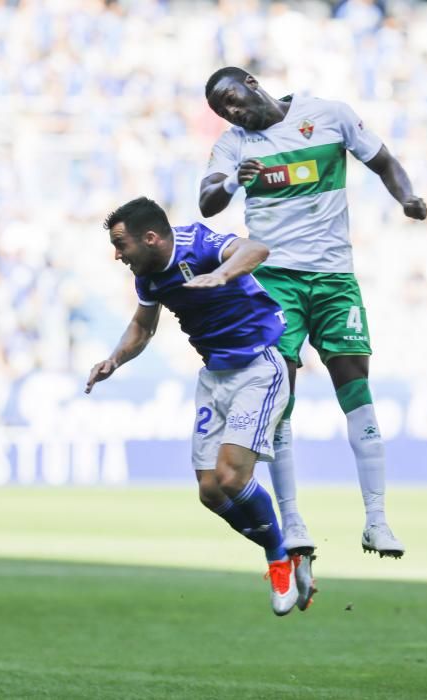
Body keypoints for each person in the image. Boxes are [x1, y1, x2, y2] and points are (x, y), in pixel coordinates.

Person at [200, 66, 427, 559]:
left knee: (356, 386)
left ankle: (377, 521)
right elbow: (207, 200)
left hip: (333, 279)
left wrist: (406, 197)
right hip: (274, 279)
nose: (232, 111)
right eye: (222, 110)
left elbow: (385, 162)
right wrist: (234, 184)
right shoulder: (234, 144)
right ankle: (294, 520)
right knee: (279, 393)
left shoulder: (328, 116)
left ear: (252, 83)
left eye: (232, 99)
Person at [85, 197, 315, 616]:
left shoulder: (198, 242)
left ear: (151, 237)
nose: (117, 255)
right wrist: (114, 360)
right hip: (214, 378)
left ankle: (279, 560)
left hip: (258, 367)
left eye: (121, 244)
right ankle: (282, 550)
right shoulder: (148, 278)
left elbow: (256, 249)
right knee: (210, 491)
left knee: (230, 476)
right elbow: (142, 326)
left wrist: (221, 275)